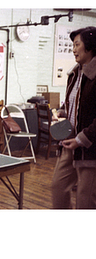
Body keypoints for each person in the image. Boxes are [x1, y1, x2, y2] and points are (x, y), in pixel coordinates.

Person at [52, 26, 96, 209]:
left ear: (90, 46)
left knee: (85, 199)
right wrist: (62, 112)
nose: (73, 49)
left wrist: (81, 139)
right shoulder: (75, 74)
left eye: (77, 44)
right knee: (58, 187)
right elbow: (73, 103)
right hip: (70, 144)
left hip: (90, 148)